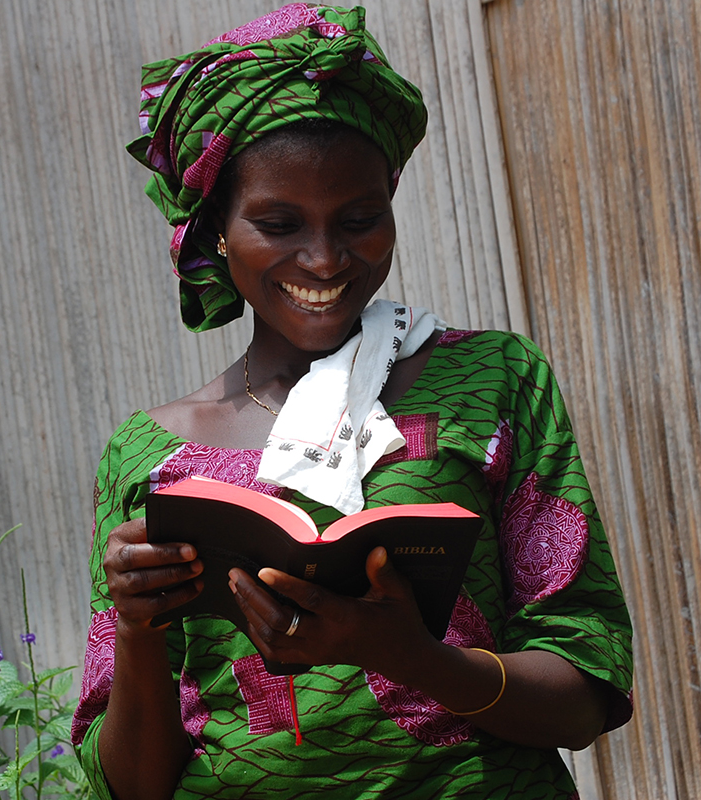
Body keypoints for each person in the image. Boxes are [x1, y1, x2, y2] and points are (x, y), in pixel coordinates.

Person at [71, 5, 633, 798]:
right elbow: (133, 786)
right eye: (278, 222)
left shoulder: (493, 383)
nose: (326, 258)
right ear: (217, 229)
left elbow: (585, 697)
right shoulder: (149, 458)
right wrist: (136, 627)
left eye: (361, 220)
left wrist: (414, 658)